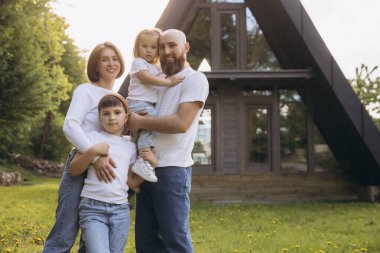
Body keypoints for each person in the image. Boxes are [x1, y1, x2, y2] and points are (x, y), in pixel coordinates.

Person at [128, 29, 209, 253]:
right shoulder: (158, 80)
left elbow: (181, 123)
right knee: (146, 243)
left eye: (172, 45)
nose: (166, 51)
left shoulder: (195, 79)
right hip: (145, 166)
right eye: (162, 46)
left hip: (173, 170)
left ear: (186, 47)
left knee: (175, 241)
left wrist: (141, 122)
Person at [43, 42, 125, 253]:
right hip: (81, 163)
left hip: (107, 175)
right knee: (65, 230)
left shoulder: (120, 99)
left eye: (115, 58)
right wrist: (95, 157)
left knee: (92, 240)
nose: (111, 63)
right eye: (105, 59)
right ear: (95, 65)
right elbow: (70, 125)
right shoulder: (86, 91)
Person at [70, 93, 154, 253]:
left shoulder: (130, 146)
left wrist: (151, 165)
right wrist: (93, 151)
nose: (112, 117)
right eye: (106, 114)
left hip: (120, 211)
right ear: (100, 118)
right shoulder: (90, 138)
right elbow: (74, 170)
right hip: (92, 208)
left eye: (117, 112)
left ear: (126, 117)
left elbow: (132, 183)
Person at [127, 28, 184, 183]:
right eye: (144, 46)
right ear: (136, 48)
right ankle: (143, 158)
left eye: (153, 47)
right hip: (138, 103)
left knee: (148, 132)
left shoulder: (155, 67)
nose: (149, 51)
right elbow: (147, 79)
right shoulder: (138, 63)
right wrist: (169, 82)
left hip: (146, 104)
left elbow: (160, 77)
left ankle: (139, 166)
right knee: (152, 124)